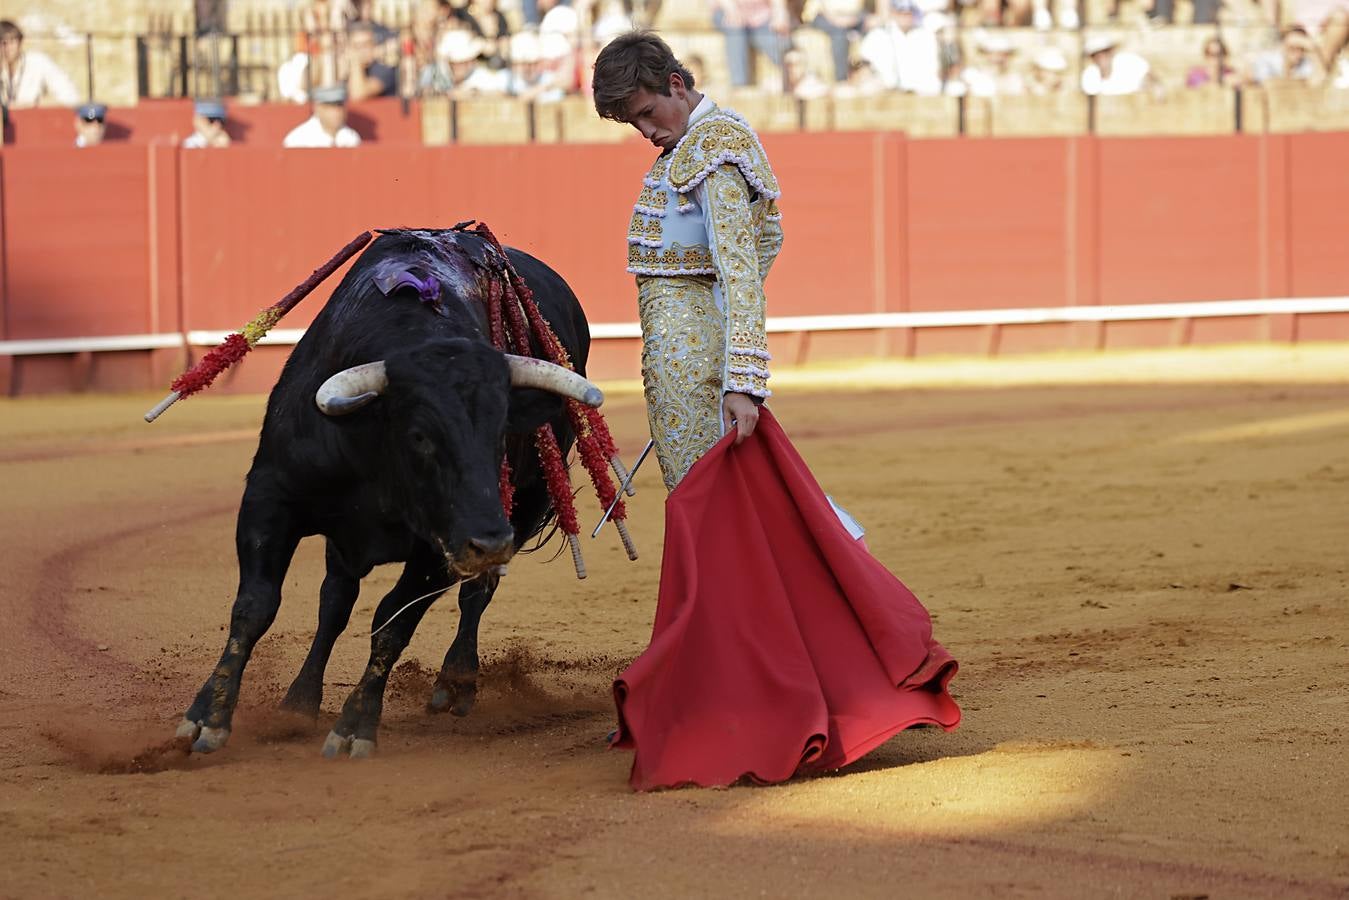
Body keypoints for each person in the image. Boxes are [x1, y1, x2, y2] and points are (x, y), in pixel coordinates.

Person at [591, 30, 960, 791]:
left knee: (721, 533)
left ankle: (742, 700)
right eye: (632, 122)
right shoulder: (690, 149)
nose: (645, 130)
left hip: (703, 374)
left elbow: (740, 271)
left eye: (647, 111)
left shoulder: (715, 149)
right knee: (721, 531)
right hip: (683, 370)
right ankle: (714, 691)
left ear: (676, 80)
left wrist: (741, 379)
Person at [857, 0, 942, 95]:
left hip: (919, 91)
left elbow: (934, 68)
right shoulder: (877, 35)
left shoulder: (925, 36)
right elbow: (863, 65)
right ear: (893, 12)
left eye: (908, 12)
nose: (905, 16)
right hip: (885, 92)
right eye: (901, 12)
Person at [711, 0, 792, 88]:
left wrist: (779, 11)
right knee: (735, 30)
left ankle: (794, 78)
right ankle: (739, 85)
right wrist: (731, 9)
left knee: (780, 41)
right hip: (727, 9)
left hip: (761, 15)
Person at [1, 19, 79, 108]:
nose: (7, 48)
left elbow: (70, 96)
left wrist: (37, 104)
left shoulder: (38, 63)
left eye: (11, 42)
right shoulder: (3, 69)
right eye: (2, 43)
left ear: (19, 42)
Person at [283, 83, 362, 146]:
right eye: (330, 106)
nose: (336, 111)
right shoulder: (299, 139)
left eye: (339, 105)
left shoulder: (351, 137)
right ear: (317, 108)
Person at [1250, 26, 1326, 85]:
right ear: (1282, 46)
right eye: (1292, 48)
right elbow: (1270, 86)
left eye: (1301, 48)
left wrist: (1312, 48)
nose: (1297, 53)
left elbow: (1320, 79)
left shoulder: (1304, 63)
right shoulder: (1266, 60)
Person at [1079, 34, 1152, 96]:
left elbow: (1150, 77)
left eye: (1105, 51)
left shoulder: (1130, 61)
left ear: (1112, 51)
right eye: (1095, 54)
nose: (1101, 56)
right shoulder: (1089, 74)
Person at [345, 20, 398, 99]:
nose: (362, 50)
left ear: (374, 45)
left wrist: (355, 63)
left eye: (366, 44)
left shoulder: (384, 67)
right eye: (357, 46)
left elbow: (358, 94)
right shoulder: (347, 68)